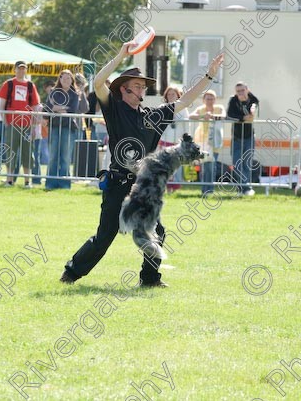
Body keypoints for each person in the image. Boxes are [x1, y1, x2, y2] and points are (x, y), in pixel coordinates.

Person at [60, 41, 224, 288]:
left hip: (142, 187)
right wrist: (120, 55)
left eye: (142, 85)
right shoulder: (114, 109)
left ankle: (149, 279)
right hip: (117, 183)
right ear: (124, 90)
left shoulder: (153, 116)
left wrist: (209, 74)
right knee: (105, 237)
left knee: (157, 232)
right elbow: (97, 83)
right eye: (137, 85)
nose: (142, 89)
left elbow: (187, 100)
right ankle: (71, 273)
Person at [0, 60, 42, 187]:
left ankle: (27, 181)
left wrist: (34, 126)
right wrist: (6, 122)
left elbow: (34, 106)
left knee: (27, 152)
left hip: (27, 124)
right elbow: (2, 105)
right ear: (15, 69)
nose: (21, 71)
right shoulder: (8, 84)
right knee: (10, 151)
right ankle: (9, 180)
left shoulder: (30, 85)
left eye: (24, 68)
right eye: (19, 68)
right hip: (12, 123)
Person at [44, 70, 80, 190]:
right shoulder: (54, 92)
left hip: (68, 128)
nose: (66, 81)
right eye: (63, 78)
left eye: (68, 79)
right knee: (53, 156)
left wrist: (57, 108)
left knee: (65, 157)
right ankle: (50, 183)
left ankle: (64, 184)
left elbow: (72, 110)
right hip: (54, 127)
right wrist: (62, 108)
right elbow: (48, 108)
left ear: (72, 80)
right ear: (59, 80)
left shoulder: (74, 95)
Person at [226, 82, 259, 196]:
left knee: (246, 163)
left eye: (242, 90)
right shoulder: (233, 100)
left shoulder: (252, 99)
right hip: (236, 137)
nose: (240, 93)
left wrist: (252, 111)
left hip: (249, 137)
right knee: (236, 163)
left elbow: (254, 108)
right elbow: (229, 115)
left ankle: (244, 188)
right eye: (238, 91)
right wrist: (243, 118)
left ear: (247, 90)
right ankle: (245, 188)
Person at [190, 90, 225, 194]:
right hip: (202, 142)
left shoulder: (219, 108)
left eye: (212, 98)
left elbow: (224, 115)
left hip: (215, 142)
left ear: (215, 100)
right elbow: (191, 116)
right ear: (203, 100)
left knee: (211, 167)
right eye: (207, 98)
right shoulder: (201, 109)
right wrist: (203, 116)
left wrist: (213, 116)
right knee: (205, 167)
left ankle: (209, 190)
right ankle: (205, 190)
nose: (210, 100)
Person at [158, 86, 190, 192]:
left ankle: (175, 189)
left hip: (177, 143)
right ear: (166, 96)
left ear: (178, 95)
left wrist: (187, 140)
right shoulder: (162, 107)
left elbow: (187, 125)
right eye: (169, 94)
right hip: (165, 141)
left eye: (173, 94)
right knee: (164, 166)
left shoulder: (183, 108)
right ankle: (165, 188)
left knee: (176, 167)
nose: (171, 96)